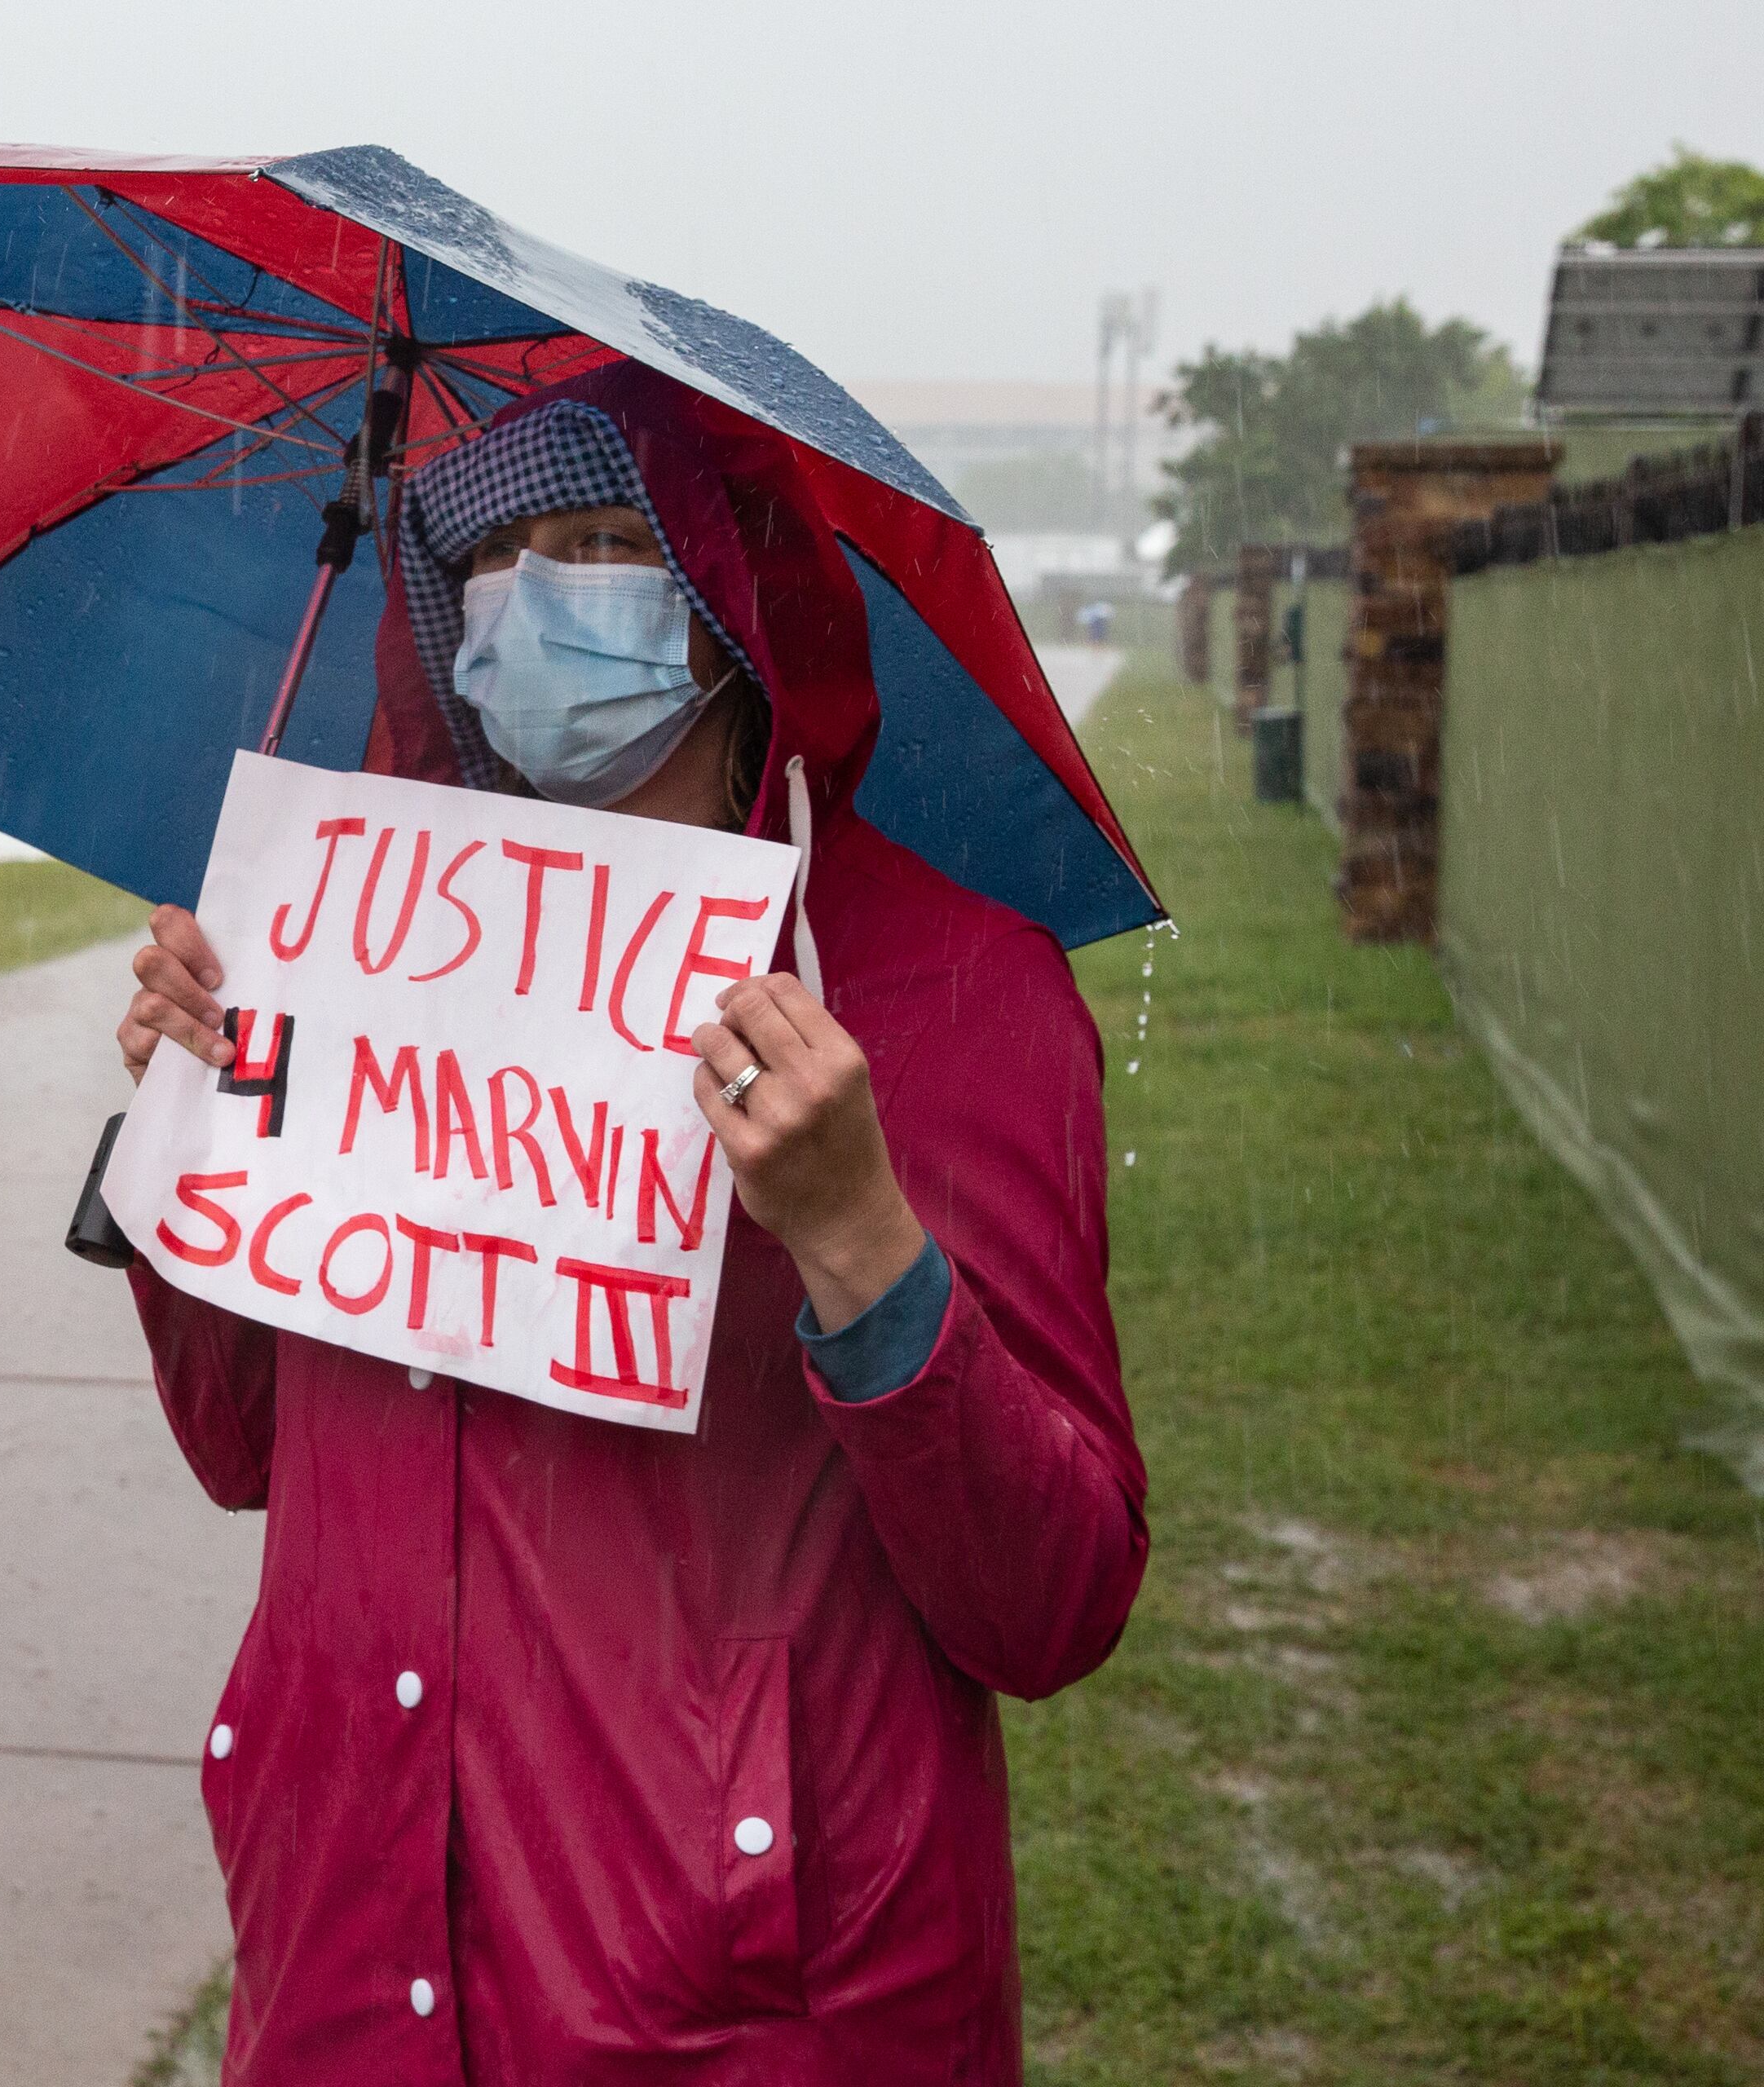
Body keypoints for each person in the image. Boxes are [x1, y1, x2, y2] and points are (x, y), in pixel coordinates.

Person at [112, 363, 1146, 2085]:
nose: (535, 603)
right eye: (491, 555)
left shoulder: (958, 993)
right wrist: (186, 1147)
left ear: (731, 594)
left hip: (746, 2013)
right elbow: (240, 1446)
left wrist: (864, 1251)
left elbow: (1051, 1604)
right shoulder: (362, 947)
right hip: (350, 1970)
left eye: (599, 544)